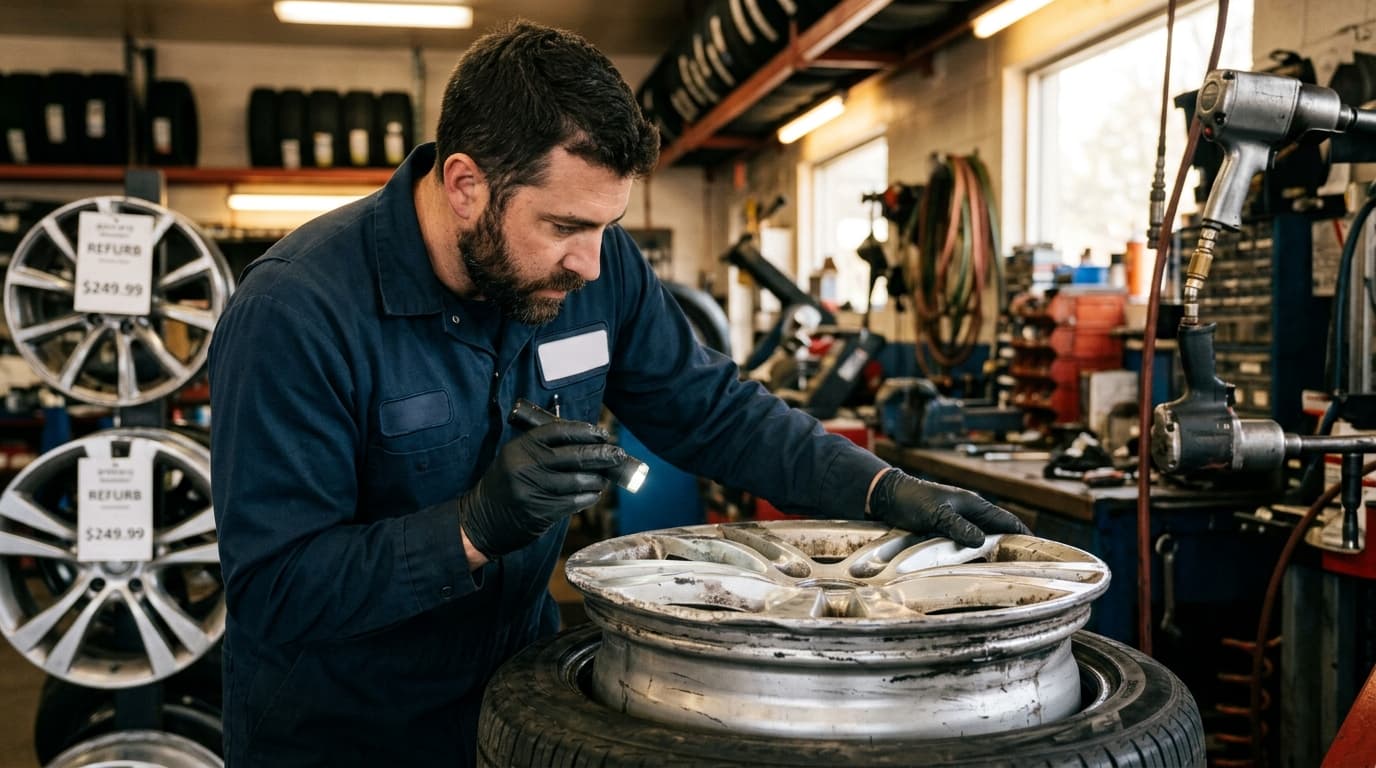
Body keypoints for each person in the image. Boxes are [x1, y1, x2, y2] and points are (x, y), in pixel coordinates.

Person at [208, 20, 1027, 767]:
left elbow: (712, 409)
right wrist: (469, 529)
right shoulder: (296, 312)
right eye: (564, 227)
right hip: (341, 735)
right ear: (465, 184)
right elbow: (274, 587)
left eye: (606, 228)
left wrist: (881, 488)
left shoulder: (602, 269)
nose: (593, 265)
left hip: (516, 703)